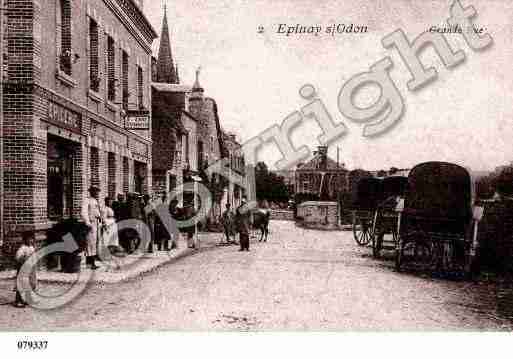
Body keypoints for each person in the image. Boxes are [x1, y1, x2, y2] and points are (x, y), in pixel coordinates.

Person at [13, 232, 36, 308]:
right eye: (29, 239)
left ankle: (28, 299)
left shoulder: (32, 247)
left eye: (32, 239)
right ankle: (18, 300)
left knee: (30, 284)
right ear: (25, 240)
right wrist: (24, 260)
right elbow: (17, 257)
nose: (30, 241)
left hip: (30, 269)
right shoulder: (22, 248)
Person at [81, 186, 101, 270]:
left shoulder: (95, 200)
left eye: (97, 191)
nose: (96, 193)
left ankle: (92, 262)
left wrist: (99, 220)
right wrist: (87, 222)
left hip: (96, 223)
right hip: (90, 223)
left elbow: (97, 212)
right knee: (89, 242)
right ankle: (89, 263)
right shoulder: (87, 200)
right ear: (91, 192)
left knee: (94, 242)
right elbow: (84, 212)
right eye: (95, 191)